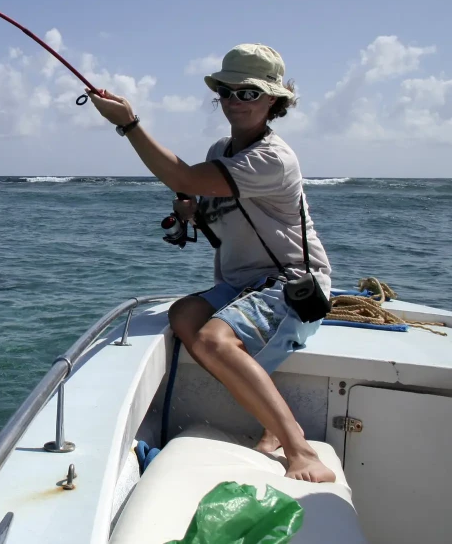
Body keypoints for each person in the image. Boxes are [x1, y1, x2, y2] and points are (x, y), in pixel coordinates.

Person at [86, 42, 336, 483]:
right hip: (243, 283)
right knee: (184, 314)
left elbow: (184, 177)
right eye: (227, 91)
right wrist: (192, 211)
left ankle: (297, 445)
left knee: (215, 340)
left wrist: (128, 124)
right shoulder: (222, 147)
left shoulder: (273, 158)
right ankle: (273, 423)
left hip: (291, 283)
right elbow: (205, 196)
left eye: (249, 93)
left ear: (274, 99)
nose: (235, 101)